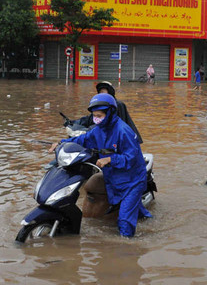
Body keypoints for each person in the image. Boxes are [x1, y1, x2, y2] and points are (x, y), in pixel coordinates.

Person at [49, 94, 151, 237]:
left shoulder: (123, 131)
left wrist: (110, 159)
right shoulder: (98, 130)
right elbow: (83, 139)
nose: (96, 119)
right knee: (129, 210)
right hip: (114, 178)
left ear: (109, 113)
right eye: (94, 115)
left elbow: (131, 158)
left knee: (124, 221)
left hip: (132, 181)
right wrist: (61, 143)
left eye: (100, 115)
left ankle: (127, 250)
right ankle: (148, 218)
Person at [74, 81, 143, 144]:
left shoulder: (117, 105)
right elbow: (89, 118)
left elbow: (108, 123)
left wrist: (88, 130)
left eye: (103, 92)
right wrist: (74, 122)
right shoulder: (99, 106)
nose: (102, 94)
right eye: (100, 92)